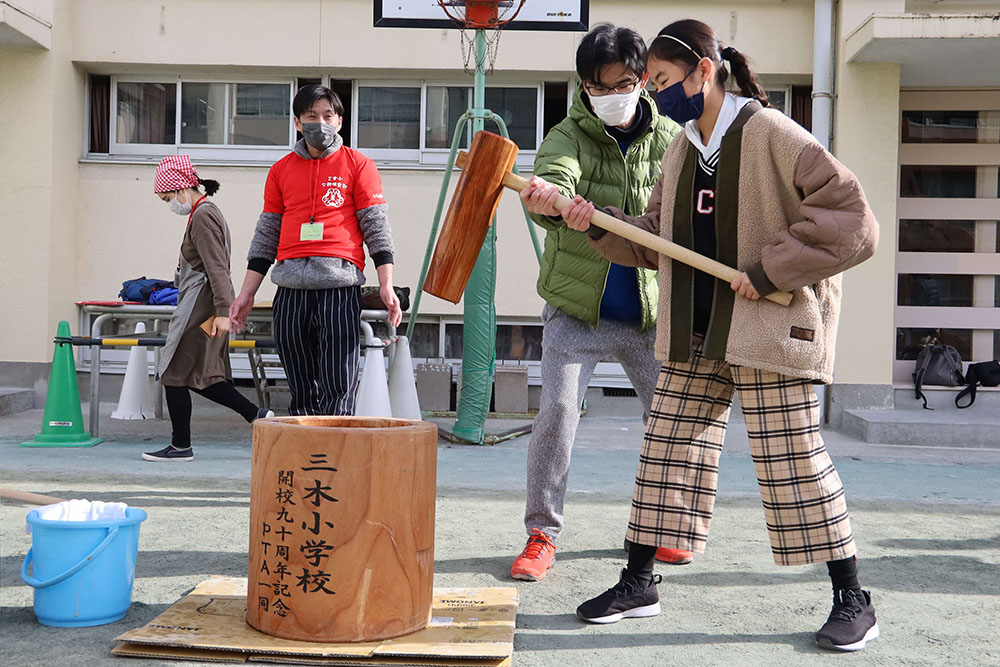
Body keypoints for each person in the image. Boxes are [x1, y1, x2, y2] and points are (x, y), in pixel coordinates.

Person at [520, 19, 881, 652]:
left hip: (769, 326)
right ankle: (639, 581)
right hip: (695, 328)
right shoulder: (684, 146)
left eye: (661, 81)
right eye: (650, 84)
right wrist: (594, 222)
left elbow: (855, 221)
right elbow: (657, 233)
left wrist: (770, 270)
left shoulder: (771, 132)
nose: (655, 96)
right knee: (665, 451)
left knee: (793, 461)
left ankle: (854, 598)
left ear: (703, 72)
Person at [510, 23, 690, 583]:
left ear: (642, 82)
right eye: (598, 86)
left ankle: (663, 527)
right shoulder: (569, 134)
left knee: (670, 422)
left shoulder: (674, 141)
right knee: (558, 413)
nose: (611, 95)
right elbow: (552, 180)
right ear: (584, 86)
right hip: (576, 309)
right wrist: (551, 200)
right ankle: (541, 533)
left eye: (624, 83)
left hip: (649, 311)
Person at [230, 84, 401, 416]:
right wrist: (246, 293)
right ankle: (307, 454)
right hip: (290, 287)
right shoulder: (281, 170)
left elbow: (376, 228)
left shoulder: (358, 164)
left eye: (328, 115)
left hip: (339, 285)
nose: (320, 123)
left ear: (339, 121)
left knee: (339, 380)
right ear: (297, 122)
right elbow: (266, 235)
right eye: (311, 116)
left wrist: (386, 284)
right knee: (300, 382)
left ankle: (337, 454)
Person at [144, 156, 272, 462]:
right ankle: (257, 415)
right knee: (201, 376)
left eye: (167, 198)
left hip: (202, 310)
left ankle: (181, 446)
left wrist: (224, 312)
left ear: (181, 188)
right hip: (204, 308)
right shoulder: (204, 214)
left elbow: (217, 269)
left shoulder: (202, 216)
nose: (169, 205)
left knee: (175, 372)